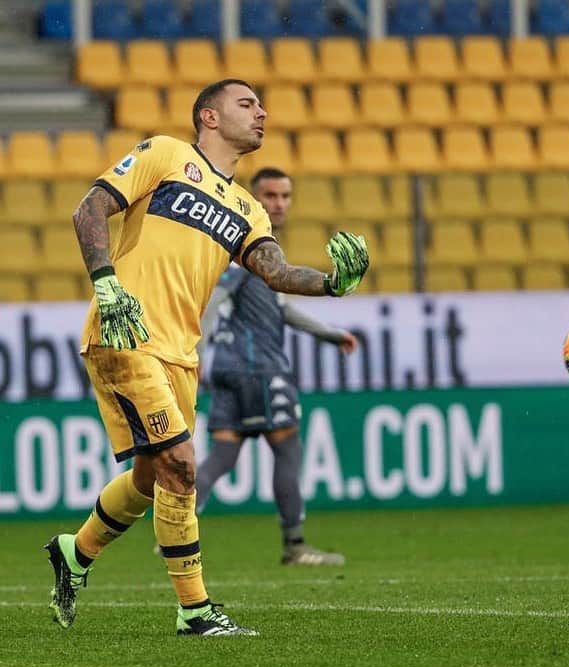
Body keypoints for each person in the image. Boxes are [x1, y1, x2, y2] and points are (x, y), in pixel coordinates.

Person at [45, 79, 369, 638]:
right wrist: (104, 284)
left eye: (262, 104)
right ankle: (195, 611)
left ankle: (76, 553)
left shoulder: (248, 209)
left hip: (180, 353)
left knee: (152, 476)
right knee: (182, 466)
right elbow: (89, 210)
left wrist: (333, 284)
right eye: (247, 104)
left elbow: (277, 272)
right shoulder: (166, 154)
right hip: (126, 329)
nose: (262, 112)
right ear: (209, 117)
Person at [194, 167, 358, 566]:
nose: (279, 204)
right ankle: (295, 545)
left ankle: (176, 527)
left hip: (230, 370)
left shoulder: (254, 250)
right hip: (259, 368)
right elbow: (214, 301)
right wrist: (194, 350)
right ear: (252, 198)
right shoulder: (242, 245)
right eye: (270, 196)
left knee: (223, 455)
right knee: (287, 447)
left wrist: (329, 334)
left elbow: (279, 308)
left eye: (285, 196)